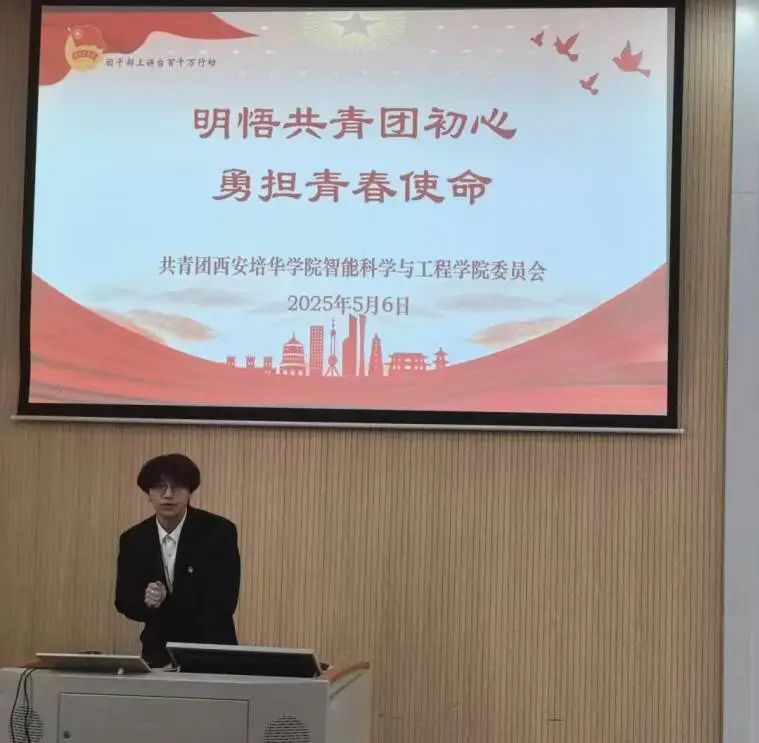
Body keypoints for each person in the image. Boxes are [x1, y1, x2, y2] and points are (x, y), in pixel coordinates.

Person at [115, 453, 240, 667]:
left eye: (177, 487)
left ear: (190, 491)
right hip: (157, 652)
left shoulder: (218, 532)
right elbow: (124, 600)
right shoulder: (133, 539)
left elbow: (224, 600)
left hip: (212, 652)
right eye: (159, 487)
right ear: (148, 493)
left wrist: (167, 600)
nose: (168, 494)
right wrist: (147, 602)